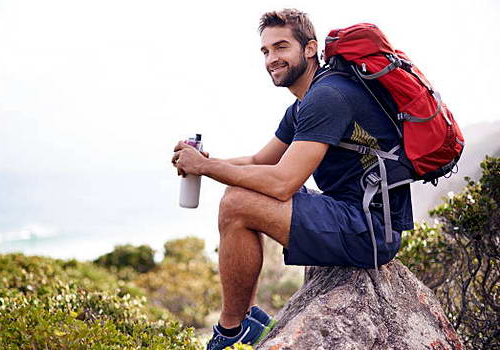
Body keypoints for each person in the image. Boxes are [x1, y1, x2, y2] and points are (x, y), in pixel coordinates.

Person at [171, 9, 413, 350]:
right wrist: (204, 162)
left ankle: (230, 332)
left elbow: (283, 182)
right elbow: (259, 161)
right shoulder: (303, 105)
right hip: (353, 216)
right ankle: (248, 319)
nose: (272, 59)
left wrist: (206, 169)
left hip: (370, 231)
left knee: (238, 203)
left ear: (310, 49)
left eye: (281, 47)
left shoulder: (327, 97)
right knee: (239, 190)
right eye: (266, 51)